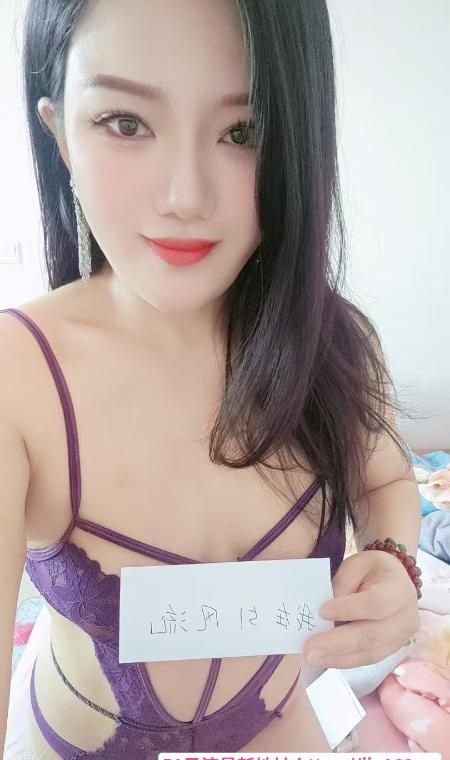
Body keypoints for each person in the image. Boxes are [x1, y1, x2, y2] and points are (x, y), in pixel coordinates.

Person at [0, 0, 421, 757]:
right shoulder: (17, 377)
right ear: (58, 130)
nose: (185, 197)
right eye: (126, 122)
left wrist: (392, 560)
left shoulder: (334, 343)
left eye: (243, 132)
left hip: (277, 721)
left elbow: (386, 478)